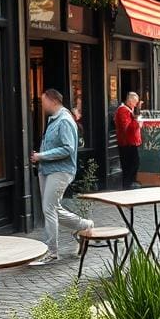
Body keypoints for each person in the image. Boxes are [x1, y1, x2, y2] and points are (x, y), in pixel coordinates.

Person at [29, 88, 92, 265]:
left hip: (60, 170)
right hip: (48, 170)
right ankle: (84, 225)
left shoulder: (64, 120)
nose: (42, 105)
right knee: (52, 208)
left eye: (44, 101)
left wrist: (41, 156)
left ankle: (51, 251)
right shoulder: (55, 119)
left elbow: (68, 149)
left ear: (53, 101)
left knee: (49, 209)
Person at [114, 92, 141, 189]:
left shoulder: (129, 110)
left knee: (134, 163)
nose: (136, 105)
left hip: (131, 142)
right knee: (130, 164)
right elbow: (126, 128)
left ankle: (130, 183)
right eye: (135, 102)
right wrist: (137, 123)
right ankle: (128, 185)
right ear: (130, 101)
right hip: (127, 143)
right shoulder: (123, 111)